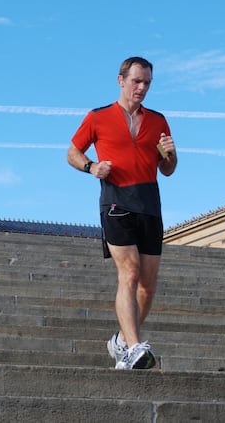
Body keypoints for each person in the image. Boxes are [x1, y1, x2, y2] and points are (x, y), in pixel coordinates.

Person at [67, 56, 177, 370]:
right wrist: (92, 167)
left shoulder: (158, 121)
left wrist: (169, 154)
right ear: (121, 80)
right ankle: (132, 348)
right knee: (129, 272)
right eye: (136, 81)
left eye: (147, 83)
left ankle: (121, 341)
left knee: (148, 284)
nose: (142, 88)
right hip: (115, 200)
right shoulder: (98, 117)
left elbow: (167, 169)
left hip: (149, 202)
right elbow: (72, 152)